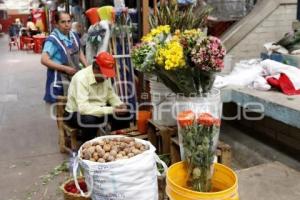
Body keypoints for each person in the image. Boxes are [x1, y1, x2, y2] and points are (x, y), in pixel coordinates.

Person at [64, 52, 130, 140]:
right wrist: (111, 109)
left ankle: (119, 141)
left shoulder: (104, 77)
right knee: (90, 120)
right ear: (96, 69)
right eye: (105, 74)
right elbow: (83, 109)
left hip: (98, 109)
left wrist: (119, 105)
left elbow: (111, 95)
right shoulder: (81, 78)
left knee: (125, 113)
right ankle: (88, 147)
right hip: (76, 113)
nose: (106, 78)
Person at [41, 11, 88, 103]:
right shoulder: (52, 40)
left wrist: (87, 67)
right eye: (63, 22)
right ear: (56, 24)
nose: (67, 25)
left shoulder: (73, 35)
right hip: (58, 79)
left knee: (73, 107)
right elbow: (44, 60)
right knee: (60, 110)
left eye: (69, 21)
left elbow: (79, 51)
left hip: (73, 76)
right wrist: (65, 68)